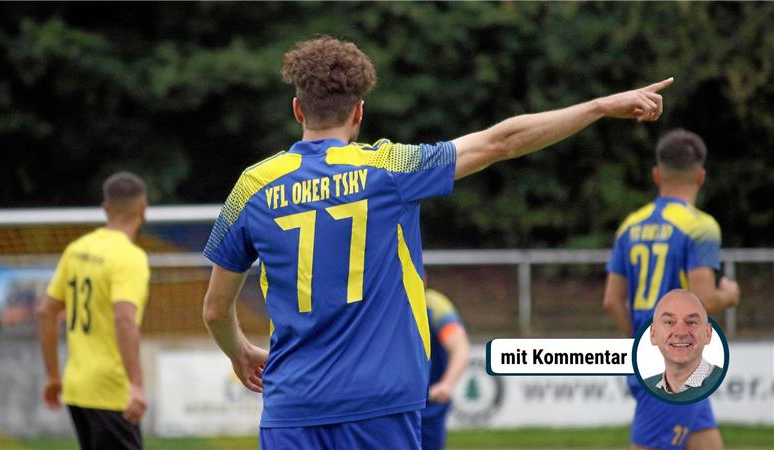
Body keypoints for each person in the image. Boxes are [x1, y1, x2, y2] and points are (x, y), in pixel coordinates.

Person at [202, 35, 671, 449]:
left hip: (292, 407)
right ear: (359, 112)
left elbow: (215, 310)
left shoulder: (252, 186)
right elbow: (501, 141)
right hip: (381, 403)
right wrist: (599, 107)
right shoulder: (389, 167)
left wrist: (239, 351)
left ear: (298, 109)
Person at [603, 129, 740, 449]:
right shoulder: (701, 226)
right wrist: (730, 296)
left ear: (656, 174)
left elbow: (611, 300)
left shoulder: (630, 226)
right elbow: (706, 299)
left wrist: (637, 339)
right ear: (701, 177)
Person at [38, 171, 150, 450]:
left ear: (105, 208)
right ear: (143, 208)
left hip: (77, 388)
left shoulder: (77, 249)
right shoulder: (129, 257)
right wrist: (136, 384)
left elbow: (45, 311)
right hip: (111, 391)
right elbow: (125, 319)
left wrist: (53, 376)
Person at [643, 290, 724, 403]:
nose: (680, 332)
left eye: (691, 322)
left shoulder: (720, 382)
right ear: (653, 334)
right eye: (669, 322)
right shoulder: (648, 385)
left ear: (708, 333)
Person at [423, 286, 470, 450]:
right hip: (391, 400)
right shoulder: (386, 302)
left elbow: (460, 347)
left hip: (429, 402)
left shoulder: (434, 305)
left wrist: (447, 385)